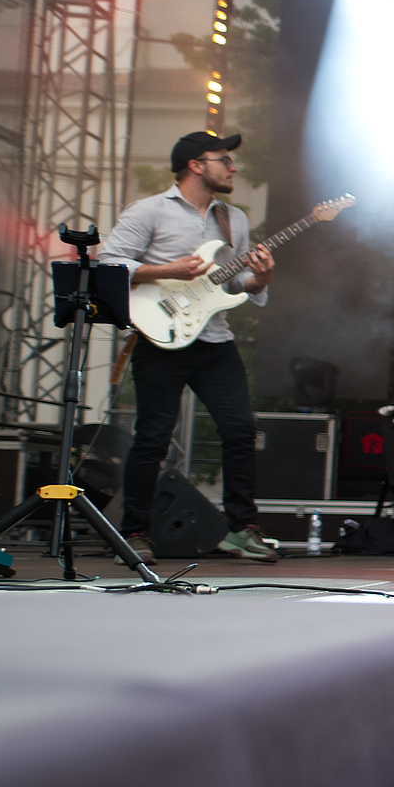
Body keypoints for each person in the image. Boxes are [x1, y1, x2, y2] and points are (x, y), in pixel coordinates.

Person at [102, 131, 279, 564]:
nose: (233, 167)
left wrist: (259, 280)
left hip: (214, 339)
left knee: (240, 430)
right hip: (159, 336)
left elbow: (232, 283)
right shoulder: (149, 210)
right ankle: (134, 532)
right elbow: (109, 263)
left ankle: (242, 528)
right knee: (153, 437)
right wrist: (168, 270)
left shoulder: (233, 219)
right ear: (196, 165)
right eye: (224, 160)